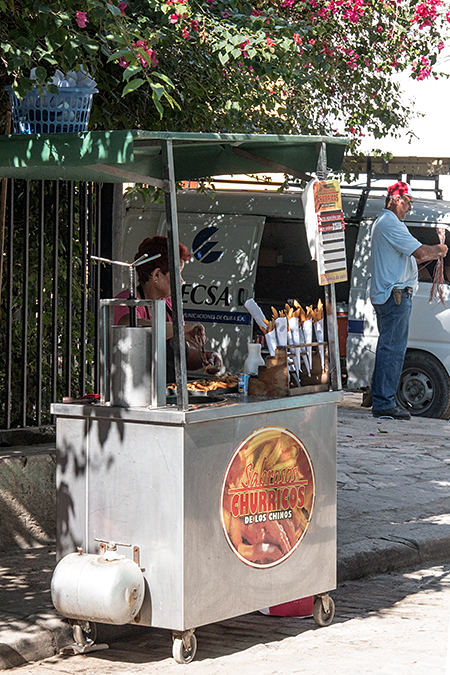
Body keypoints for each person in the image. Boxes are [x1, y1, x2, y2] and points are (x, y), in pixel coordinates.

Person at [370, 181, 448, 420]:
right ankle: (384, 404)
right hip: (394, 296)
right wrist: (440, 248)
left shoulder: (387, 224)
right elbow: (422, 253)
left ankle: (384, 401)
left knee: (391, 349)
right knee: (392, 351)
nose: (409, 208)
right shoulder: (389, 223)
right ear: (396, 199)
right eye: (408, 203)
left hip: (393, 295)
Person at [114, 235, 222, 383]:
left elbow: (181, 357)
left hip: (170, 394)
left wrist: (207, 357)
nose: (182, 281)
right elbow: (131, 325)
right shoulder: (127, 301)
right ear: (157, 275)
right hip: (138, 394)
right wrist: (180, 329)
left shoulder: (170, 305)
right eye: (177, 273)